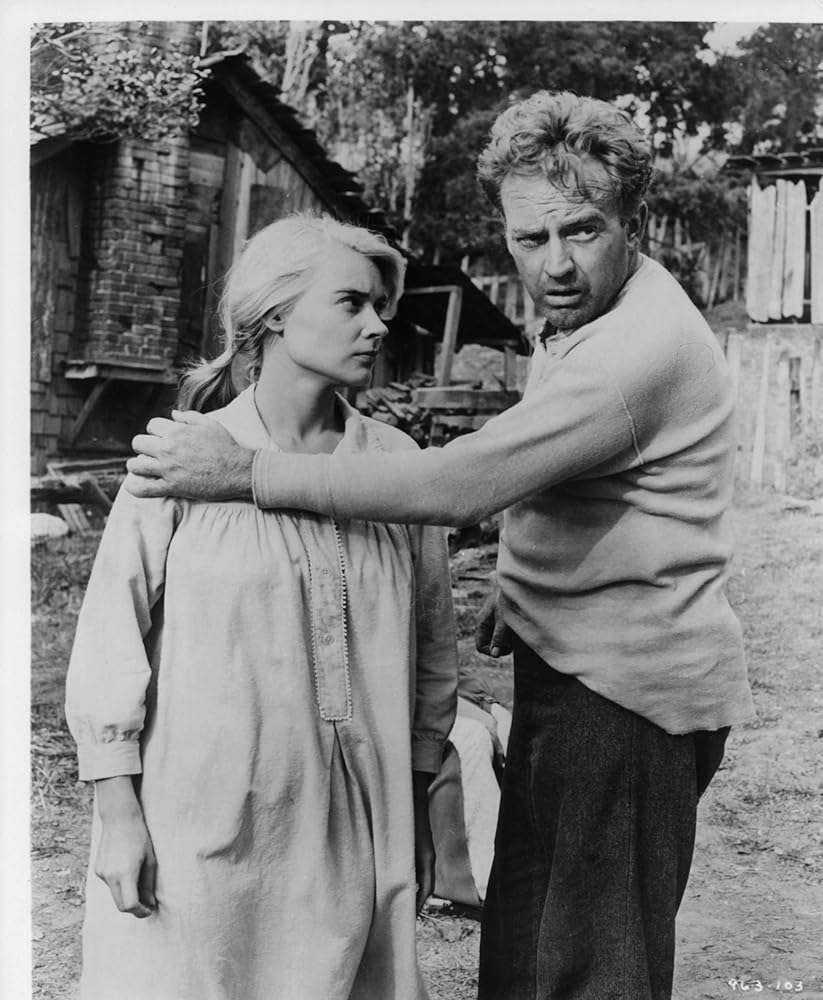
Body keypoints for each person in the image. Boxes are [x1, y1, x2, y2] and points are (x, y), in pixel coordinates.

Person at [126, 91, 756, 1000]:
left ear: (635, 220)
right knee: (527, 942)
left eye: (582, 231)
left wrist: (248, 474)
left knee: (588, 964)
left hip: (629, 701)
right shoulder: (592, 315)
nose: (555, 264)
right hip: (581, 669)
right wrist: (531, 579)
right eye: (529, 239)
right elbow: (591, 480)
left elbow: (456, 487)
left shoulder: (636, 351)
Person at [65, 215, 458, 1000]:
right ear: (276, 314)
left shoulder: (395, 465)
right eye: (350, 302)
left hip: (360, 816)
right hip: (204, 819)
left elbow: (432, 653)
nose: (377, 325)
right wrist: (119, 814)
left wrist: (416, 808)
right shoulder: (181, 458)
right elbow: (110, 641)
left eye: (379, 305)